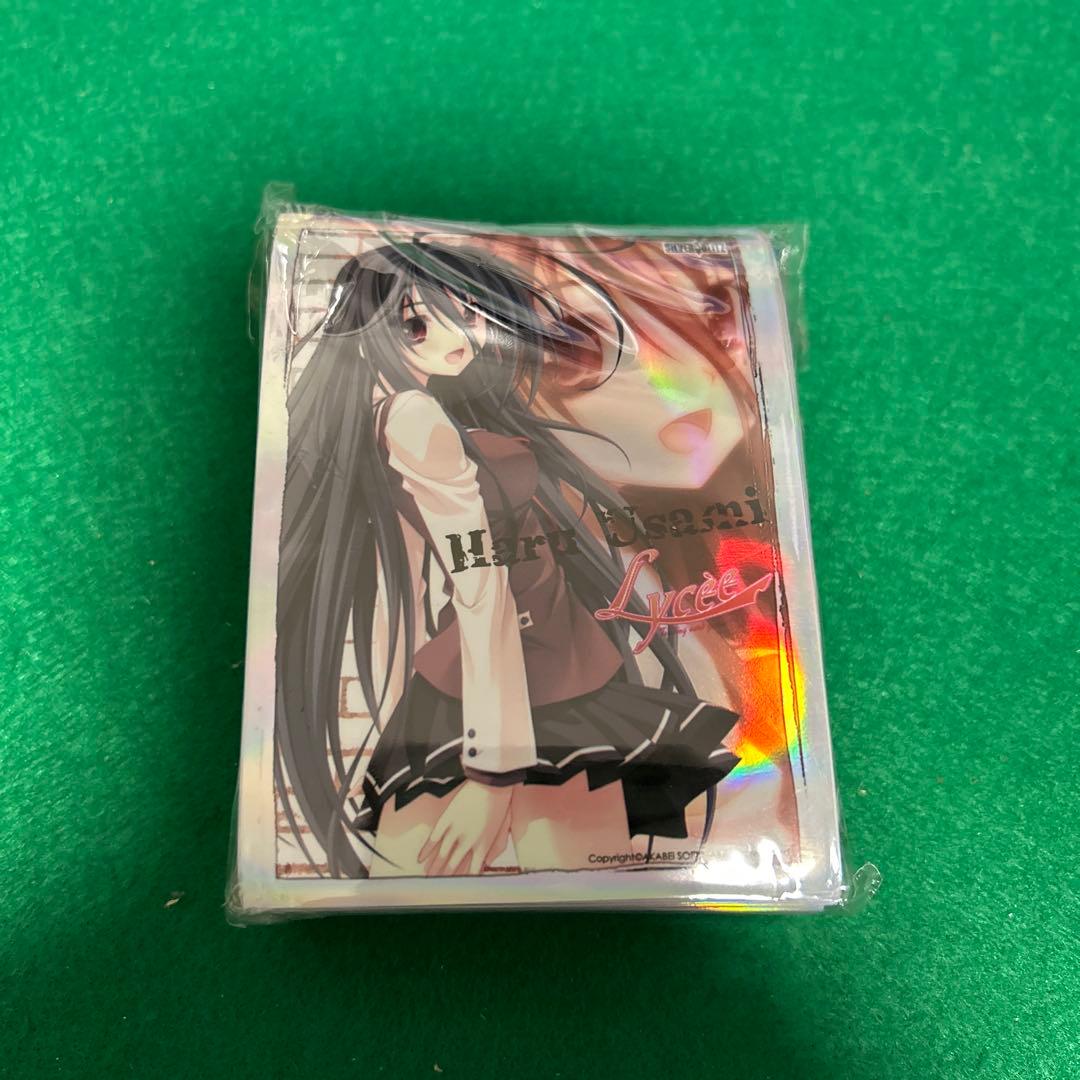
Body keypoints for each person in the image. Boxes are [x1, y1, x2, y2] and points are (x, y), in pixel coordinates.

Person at [275, 238, 740, 879]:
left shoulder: (413, 409)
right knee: (569, 877)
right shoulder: (413, 416)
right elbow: (478, 582)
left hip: (518, 662)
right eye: (416, 324)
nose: (457, 336)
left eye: (466, 313)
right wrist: (494, 771)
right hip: (530, 668)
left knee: (517, 874)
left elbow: (441, 575)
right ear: (367, 331)